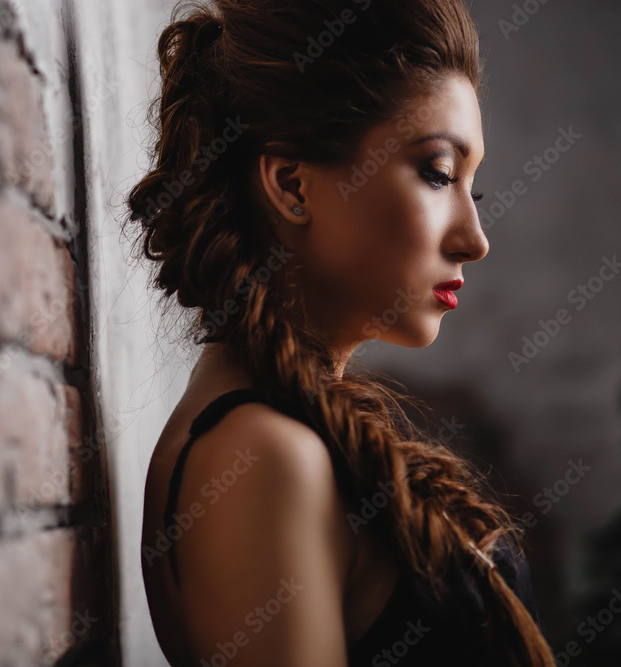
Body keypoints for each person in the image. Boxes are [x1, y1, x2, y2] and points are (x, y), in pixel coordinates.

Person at [124, 1, 555, 665]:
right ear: (293, 185)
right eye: (438, 173)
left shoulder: (280, 432)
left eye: (476, 189)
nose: (476, 239)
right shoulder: (260, 456)